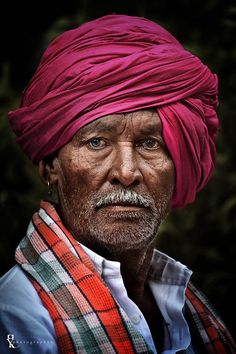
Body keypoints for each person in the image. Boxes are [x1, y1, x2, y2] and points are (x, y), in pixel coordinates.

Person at [0, 14, 235, 354]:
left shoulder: (186, 307)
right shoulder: (16, 319)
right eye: (96, 142)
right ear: (50, 166)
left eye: (150, 143)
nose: (126, 172)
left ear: (180, 163)